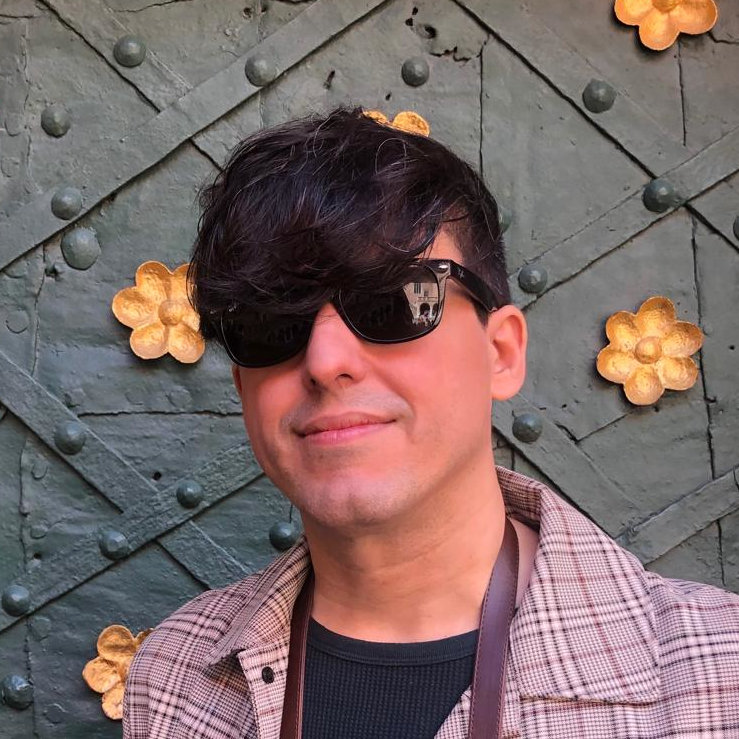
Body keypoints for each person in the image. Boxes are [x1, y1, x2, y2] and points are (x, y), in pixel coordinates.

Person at [123, 108, 739, 739]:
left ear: (500, 353)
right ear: (243, 387)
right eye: (271, 324)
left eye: (391, 302)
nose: (325, 362)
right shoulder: (174, 678)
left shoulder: (719, 680)